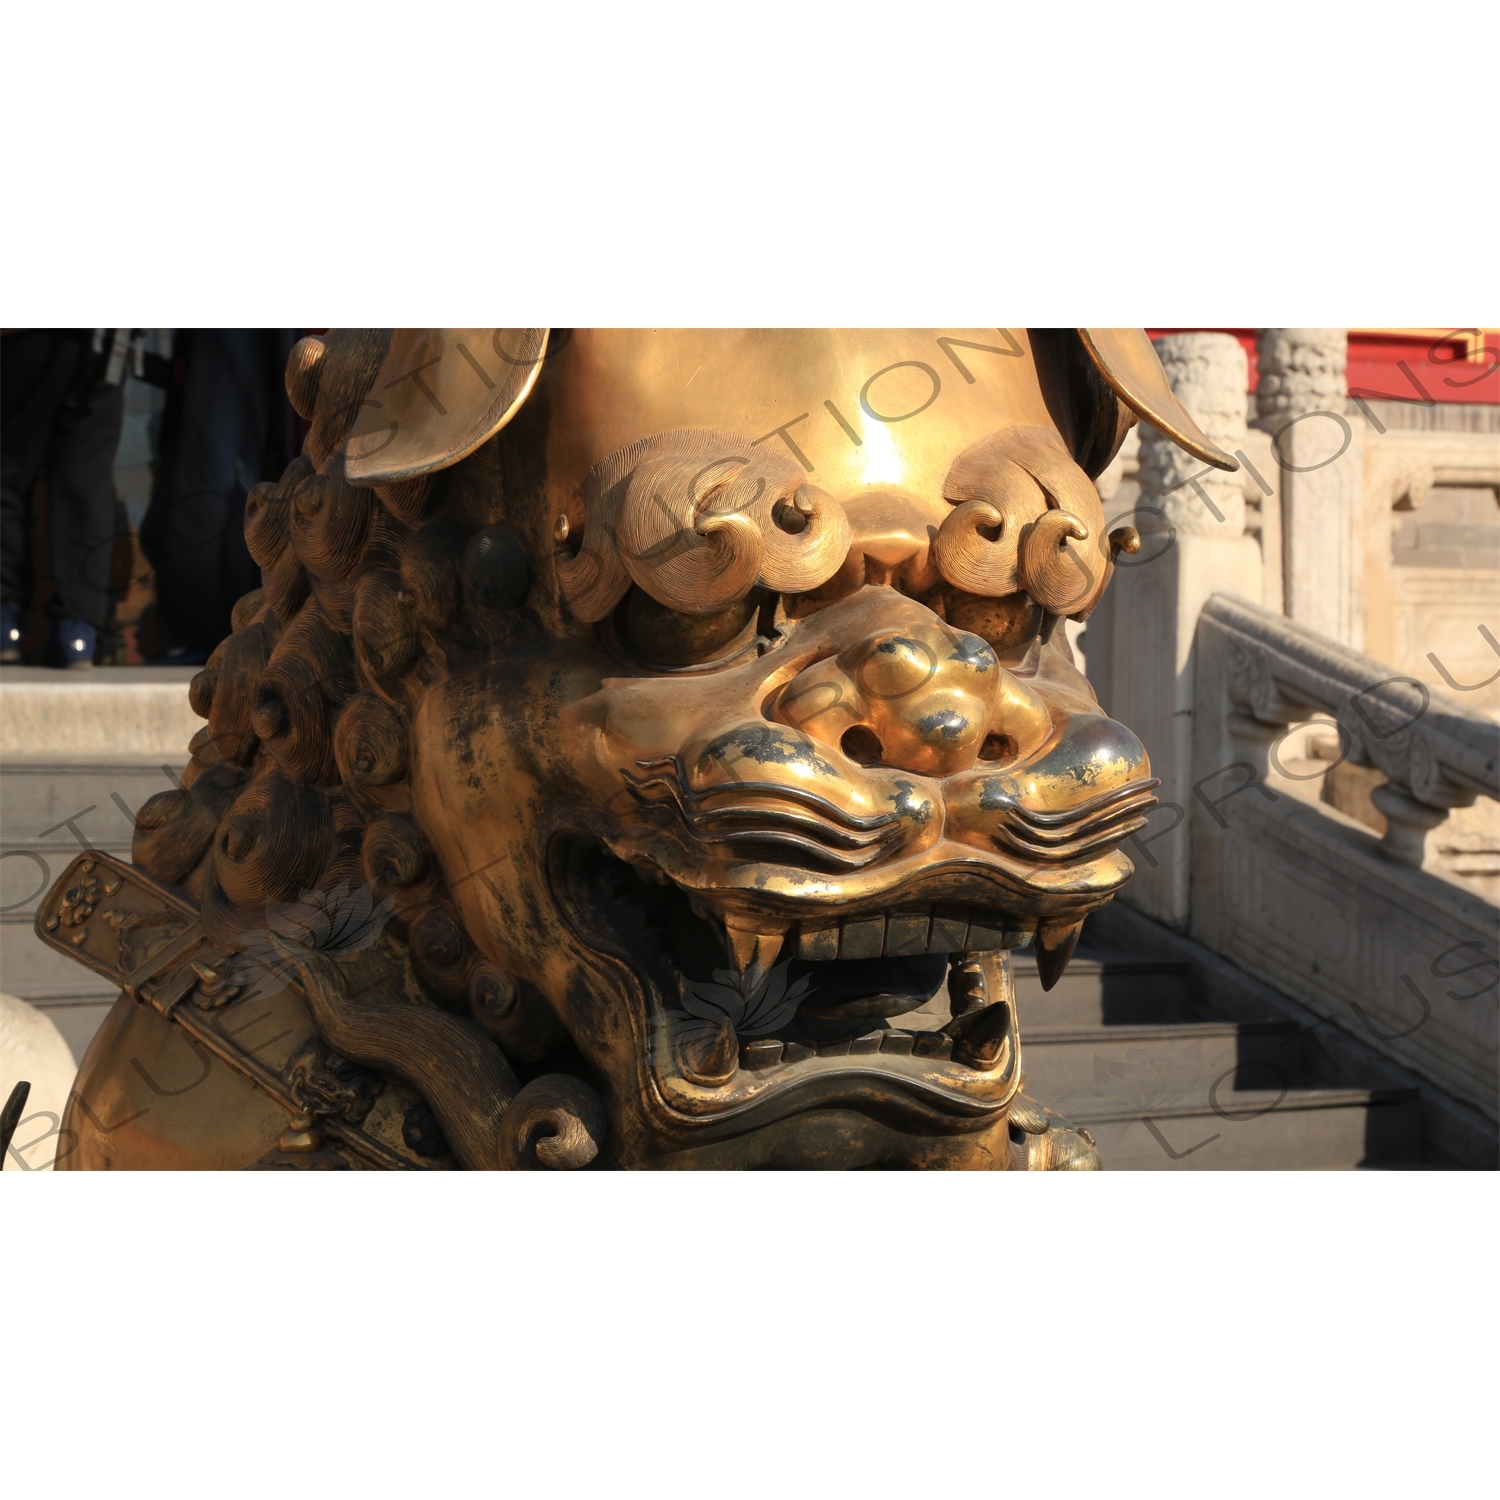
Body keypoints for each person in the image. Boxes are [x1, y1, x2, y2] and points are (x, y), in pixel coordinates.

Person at [1, 329, 134, 668]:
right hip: (107, 330)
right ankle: (76, 635)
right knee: (85, 479)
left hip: (27, 332)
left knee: (7, 470)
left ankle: (6, 627)